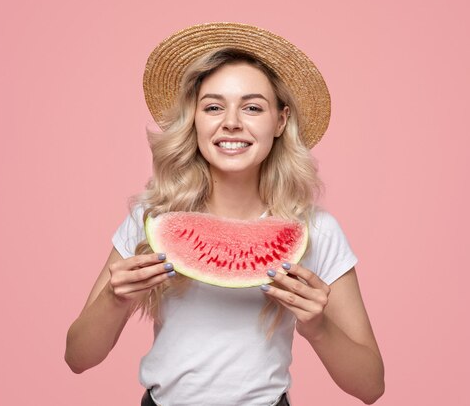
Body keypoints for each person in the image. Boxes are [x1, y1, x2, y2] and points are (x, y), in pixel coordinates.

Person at [65, 22, 385, 406]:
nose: (231, 122)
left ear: (280, 121)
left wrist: (318, 328)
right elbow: (78, 358)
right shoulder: (153, 219)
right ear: (195, 121)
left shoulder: (316, 230)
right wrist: (115, 300)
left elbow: (370, 387)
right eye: (213, 106)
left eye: (252, 107)